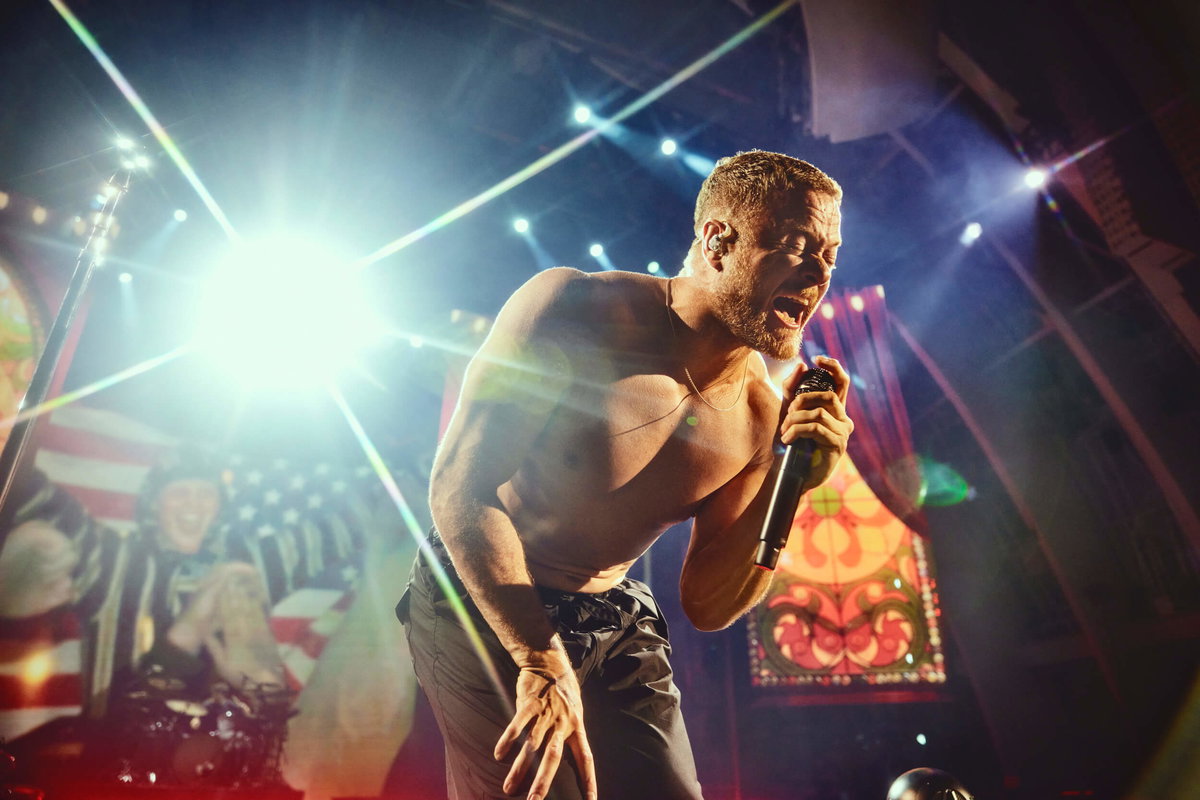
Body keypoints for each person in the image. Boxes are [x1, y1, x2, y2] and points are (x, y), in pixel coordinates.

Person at [399, 150, 854, 800]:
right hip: (482, 591)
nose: (820, 272)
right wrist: (537, 658)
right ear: (718, 241)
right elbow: (459, 488)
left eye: (830, 256)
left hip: (612, 613)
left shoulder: (761, 413)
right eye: (796, 246)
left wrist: (794, 481)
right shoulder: (575, 310)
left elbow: (708, 604)